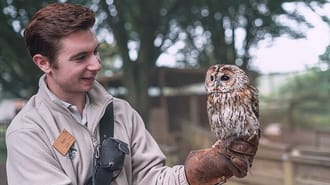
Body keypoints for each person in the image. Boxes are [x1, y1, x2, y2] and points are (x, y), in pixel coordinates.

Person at [6, 3, 259, 185]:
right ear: (43, 63)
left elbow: (150, 179)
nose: (96, 64)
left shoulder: (121, 112)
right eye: (81, 57)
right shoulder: (28, 132)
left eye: (95, 51)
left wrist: (193, 175)